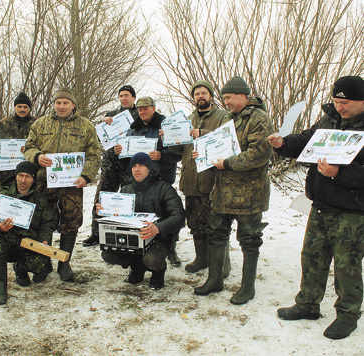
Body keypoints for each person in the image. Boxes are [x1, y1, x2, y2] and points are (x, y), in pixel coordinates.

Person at [269, 75, 364, 340]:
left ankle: (347, 315)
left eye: (345, 102)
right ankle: (308, 304)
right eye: (336, 100)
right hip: (321, 204)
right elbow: (306, 140)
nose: (340, 106)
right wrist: (283, 144)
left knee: (347, 266)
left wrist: (339, 173)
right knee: (312, 256)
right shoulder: (329, 119)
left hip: (352, 211)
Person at [193, 76, 273, 306]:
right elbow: (220, 142)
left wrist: (226, 163)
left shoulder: (260, 119)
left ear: (242, 95)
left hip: (250, 193)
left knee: (249, 239)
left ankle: (247, 287)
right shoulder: (229, 117)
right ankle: (214, 280)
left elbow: (259, 154)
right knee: (216, 233)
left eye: (228, 97)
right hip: (222, 191)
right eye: (225, 97)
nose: (225, 101)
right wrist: (204, 151)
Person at [24, 88, 101, 281]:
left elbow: (94, 154)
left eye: (66, 103)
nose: (61, 106)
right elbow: (28, 147)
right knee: (44, 222)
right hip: (45, 181)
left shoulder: (86, 126)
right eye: (58, 103)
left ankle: (64, 263)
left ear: (73, 105)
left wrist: (86, 176)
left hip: (72, 184)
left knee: (71, 222)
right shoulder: (40, 124)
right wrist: (37, 157)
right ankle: (44, 262)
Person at [167, 80, 230, 275]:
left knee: (216, 225)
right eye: (196, 94)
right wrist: (169, 138)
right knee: (195, 223)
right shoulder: (187, 119)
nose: (200, 97)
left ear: (210, 96)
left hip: (213, 181)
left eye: (203, 93)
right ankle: (201, 258)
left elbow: (227, 139)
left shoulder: (222, 116)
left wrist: (202, 133)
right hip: (191, 180)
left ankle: (222, 263)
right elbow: (179, 150)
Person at [99, 152, 185, 290]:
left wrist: (158, 228)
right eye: (134, 166)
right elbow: (119, 218)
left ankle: (158, 272)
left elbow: (179, 216)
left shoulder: (164, 188)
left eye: (141, 165)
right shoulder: (126, 190)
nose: (137, 169)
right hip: (133, 238)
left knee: (151, 259)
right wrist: (106, 212)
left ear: (150, 168)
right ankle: (137, 267)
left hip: (159, 238)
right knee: (108, 254)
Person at [114, 96, 182, 266]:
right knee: (141, 215)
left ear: (154, 108)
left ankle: (170, 247)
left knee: (166, 215)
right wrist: (120, 152)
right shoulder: (133, 129)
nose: (142, 112)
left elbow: (178, 153)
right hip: (139, 182)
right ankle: (138, 247)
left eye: (146, 108)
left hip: (162, 179)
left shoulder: (165, 125)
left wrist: (162, 155)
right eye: (140, 109)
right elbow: (127, 160)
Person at [0, 161, 56, 304]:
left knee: (42, 269)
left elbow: (48, 223)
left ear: (33, 179)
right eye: (20, 175)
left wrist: (44, 239)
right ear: (15, 176)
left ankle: (20, 269)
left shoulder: (40, 199)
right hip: (8, 242)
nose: (23, 180)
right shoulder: (3, 196)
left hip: (29, 244)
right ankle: (0, 286)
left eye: (28, 176)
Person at [82, 85, 139, 247]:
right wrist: (104, 124)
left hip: (129, 164)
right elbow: (100, 138)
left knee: (129, 199)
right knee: (102, 198)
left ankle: (126, 232)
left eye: (127, 95)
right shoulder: (111, 115)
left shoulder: (139, 116)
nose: (124, 98)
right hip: (110, 164)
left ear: (133, 98)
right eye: (121, 95)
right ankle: (96, 232)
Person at [0, 92, 37, 186]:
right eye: (19, 106)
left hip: (28, 170)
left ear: (29, 108)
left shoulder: (36, 124)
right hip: (7, 170)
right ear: (15, 107)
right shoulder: (4, 123)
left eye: (25, 107)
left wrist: (29, 149)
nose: (22, 109)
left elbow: (41, 144)